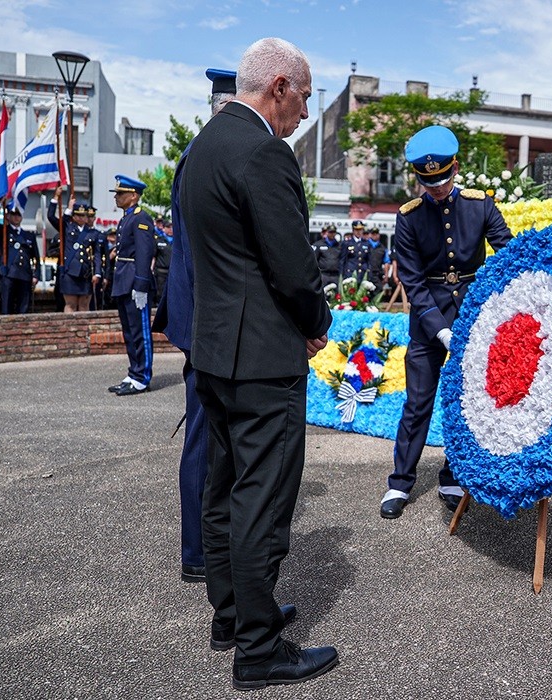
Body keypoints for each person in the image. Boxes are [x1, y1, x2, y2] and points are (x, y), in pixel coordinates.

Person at [179, 38, 338, 690]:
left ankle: (233, 616)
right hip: (263, 359)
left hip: (215, 348)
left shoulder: (204, 147)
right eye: (303, 96)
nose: (304, 112)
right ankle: (260, 649)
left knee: (222, 490)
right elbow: (292, 266)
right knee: (261, 502)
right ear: (278, 85)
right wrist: (316, 324)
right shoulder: (263, 151)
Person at [379, 124, 511, 519]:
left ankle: (453, 474)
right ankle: (400, 482)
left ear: (456, 168)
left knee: (464, 402)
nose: (435, 188)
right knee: (418, 403)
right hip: (427, 322)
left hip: (473, 319)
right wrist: (440, 329)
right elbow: (413, 281)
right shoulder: (409, 218)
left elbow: (508, 252)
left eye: (442, 179)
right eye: (427, 181)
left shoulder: (480, 205)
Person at [153, 66, 237, 585]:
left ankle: (206, 544)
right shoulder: (209, 155)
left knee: (211, 436)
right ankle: (198, 551)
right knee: (205, 438)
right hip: (208, 324)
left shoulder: (199, 154)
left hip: (203, 321)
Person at [107, 175, 156, 397]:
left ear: (133, 195)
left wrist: (142, 285)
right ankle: (133, 371)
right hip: (123, 280)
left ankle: (142, 377)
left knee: (140, 331)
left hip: (135, 281)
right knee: (129, 331)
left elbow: (145, 253)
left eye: (120, 193)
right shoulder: (126, 218)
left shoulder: (140, 218)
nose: (117, 197)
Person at [47, 197, 101, 312]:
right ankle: (70, 329)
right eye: (79, 215)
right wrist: (64, 205)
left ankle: (83, 330)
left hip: (85, 273)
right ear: (74, 216)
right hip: (70, 272)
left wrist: (97, 273)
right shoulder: (67, 227)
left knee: (84, 305)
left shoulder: (94, 233)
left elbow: (97, 254)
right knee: (70, 304)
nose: (82, 218)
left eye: (84, 215)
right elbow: (51, 217)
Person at [0, 201, 40, 314]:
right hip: (8, 274)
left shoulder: (29, 235)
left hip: (25, 275)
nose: (16, 217)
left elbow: (36, 257)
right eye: (14, 214)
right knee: (6, 306)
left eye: (19, 215)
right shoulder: (3, 231)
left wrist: (36, 275)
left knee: (23, 307)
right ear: (8, 216)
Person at [310, 223, 341, 289]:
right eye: (330, 232)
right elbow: (314, 260)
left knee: (335, 296)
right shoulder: (319, 244)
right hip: (324, 275)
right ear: (327, 232)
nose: (332, 234)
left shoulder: (339, 245)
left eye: (333, 232)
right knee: (323, 294)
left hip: (335, 275)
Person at [152, 218, 172, 307]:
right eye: (169, 227)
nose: (171, 229)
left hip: (173, 271)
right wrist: (151, 268)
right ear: (164, 228)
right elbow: (153, 256)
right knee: (160, 293)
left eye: (172, 227)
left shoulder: (177, 240)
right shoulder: (159, 240)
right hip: (161, 272)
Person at [365, 225, 390, 293]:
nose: (375, 235)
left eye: (376, 233)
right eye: (373, 234)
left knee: (378, 291)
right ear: (370, 235)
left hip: (377, 274)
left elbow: (386, 262)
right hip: (366, 274)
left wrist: (386, 276)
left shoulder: (382, 248)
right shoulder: (365, 245)